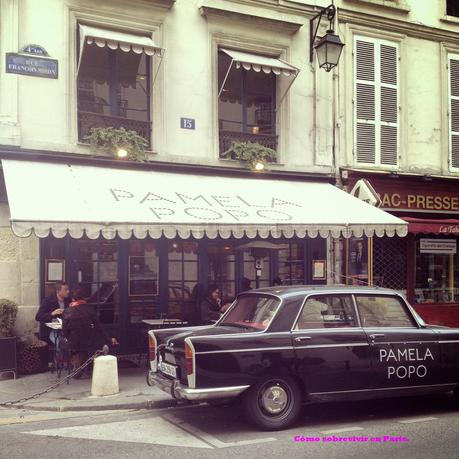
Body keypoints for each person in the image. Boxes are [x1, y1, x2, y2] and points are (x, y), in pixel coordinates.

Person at [62, 287, 118, 378]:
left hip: (74, 342)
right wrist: (109, 338)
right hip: (89, 341)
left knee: (62, 343)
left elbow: (64, 331)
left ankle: (69, 365)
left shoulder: (67, 311)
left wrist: (66, 336)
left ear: (72, 298)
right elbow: (99, 326)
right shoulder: (90, 309)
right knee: (86, 344)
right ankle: (82, 365)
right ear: (84, 298)